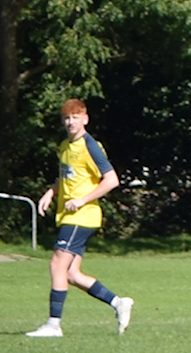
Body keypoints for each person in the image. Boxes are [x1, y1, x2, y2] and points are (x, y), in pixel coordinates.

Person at [27, 100, 132, 337]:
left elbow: (111, 180)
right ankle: (118, 302)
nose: (70, 122)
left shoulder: (90, 146)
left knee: (57, 264)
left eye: (75, 117)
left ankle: (53, 325)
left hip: (82, 216)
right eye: (66, 118)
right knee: (71, 274)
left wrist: (82, 200)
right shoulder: (65, 145)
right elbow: (66, 177)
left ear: (85, 119)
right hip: (69, 216)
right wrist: (51, 192)